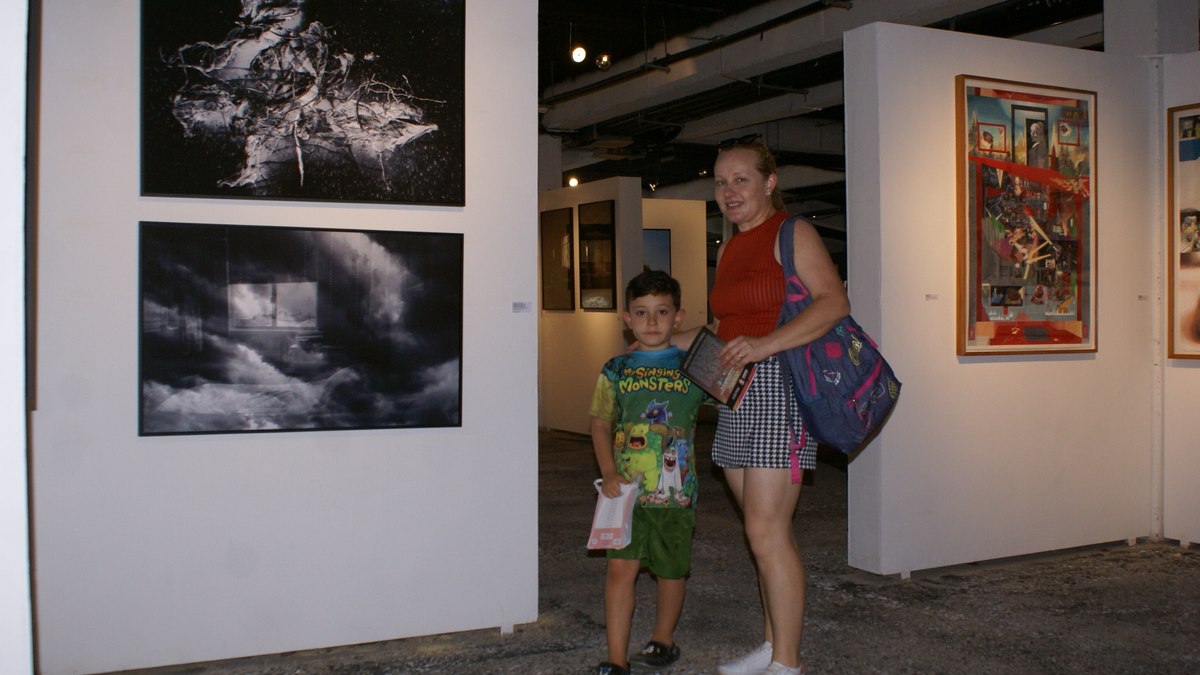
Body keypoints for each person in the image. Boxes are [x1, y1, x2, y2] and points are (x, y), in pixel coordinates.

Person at [682, 135, 850, 675]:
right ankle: (772, 644)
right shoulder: (729, 247)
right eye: (721, 181)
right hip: (732, 393)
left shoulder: (790, 231)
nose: (729, 191)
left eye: (741, 179)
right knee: (760, 534)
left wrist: (764, 345)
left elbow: (834, 302)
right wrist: (660, 339)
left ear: (769, 182)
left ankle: (788, 663)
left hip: (778, 387)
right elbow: (725, 328)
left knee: (766, 531)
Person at [588, 270, 714, 675]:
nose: (653, 322)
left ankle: (663, 640)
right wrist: (608, 472)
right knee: (619, 568)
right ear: (627, 318)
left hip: (677, 494)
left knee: (670, 569)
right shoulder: (616, 369)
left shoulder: (694, 365)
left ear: (678, 317)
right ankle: (616, 658)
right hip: (624, 494)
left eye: (662, 312)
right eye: (642, 313)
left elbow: (736, 395)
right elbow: (601, 423)